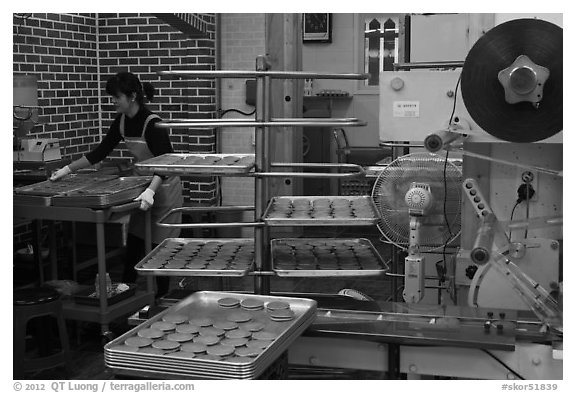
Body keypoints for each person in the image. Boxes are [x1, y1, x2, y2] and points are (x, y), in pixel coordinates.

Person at [50, 71, 183, 297]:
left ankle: (161, 297)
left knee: (160, 248)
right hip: (143, 187)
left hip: (164, 188)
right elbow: (100, 152)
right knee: (134, 243)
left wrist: (151, 191)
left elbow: (166, 163)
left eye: (116, 96)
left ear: (131, 96)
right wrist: (66, 170)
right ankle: (126, 293)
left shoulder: (153, 124)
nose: (112, 101)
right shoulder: (121, 122)